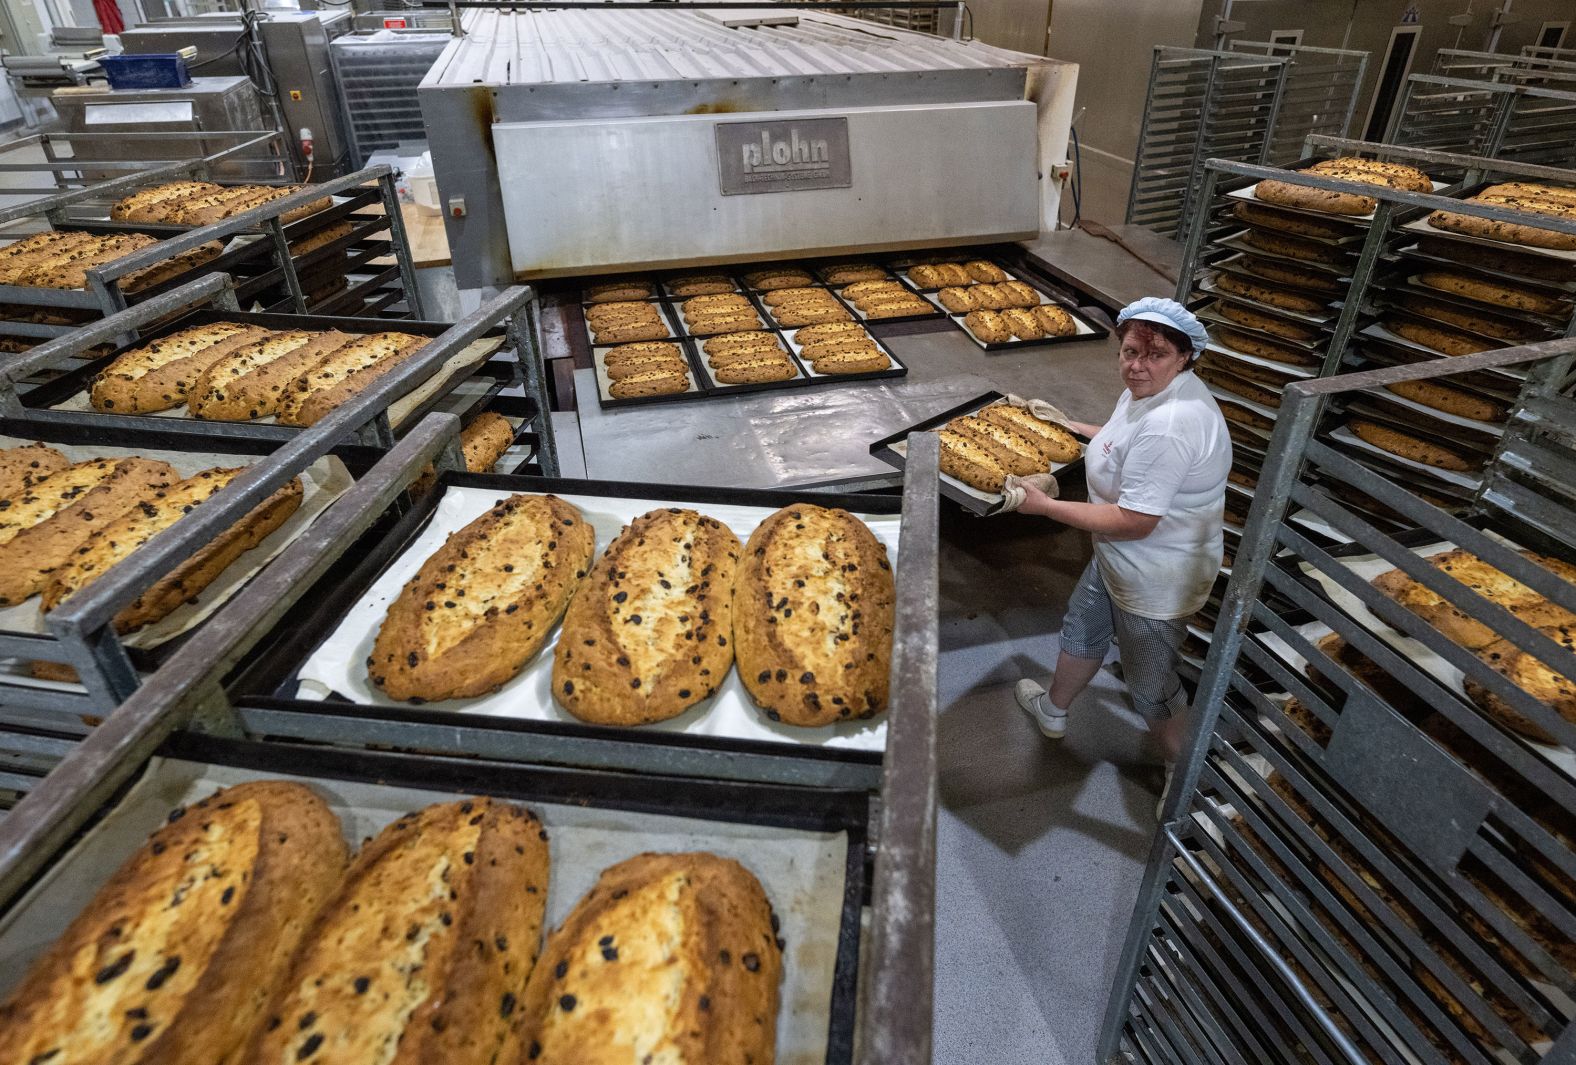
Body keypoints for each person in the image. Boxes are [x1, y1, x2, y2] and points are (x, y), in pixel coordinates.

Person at [1004, 296, 1230, 806]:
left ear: (1185, 358)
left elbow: (1135, 520)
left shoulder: (1173, 425)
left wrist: (1044, 508)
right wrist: (1065, 426)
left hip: (1155, 575)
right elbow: (1121, 441)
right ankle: (1054, 709)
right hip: (1118, 559)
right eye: (1129, 352)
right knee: (1083, 626)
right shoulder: (1148, 392)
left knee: (1150, 684)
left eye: (1154, 357)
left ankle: (1183, 775)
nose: (1136, 366)